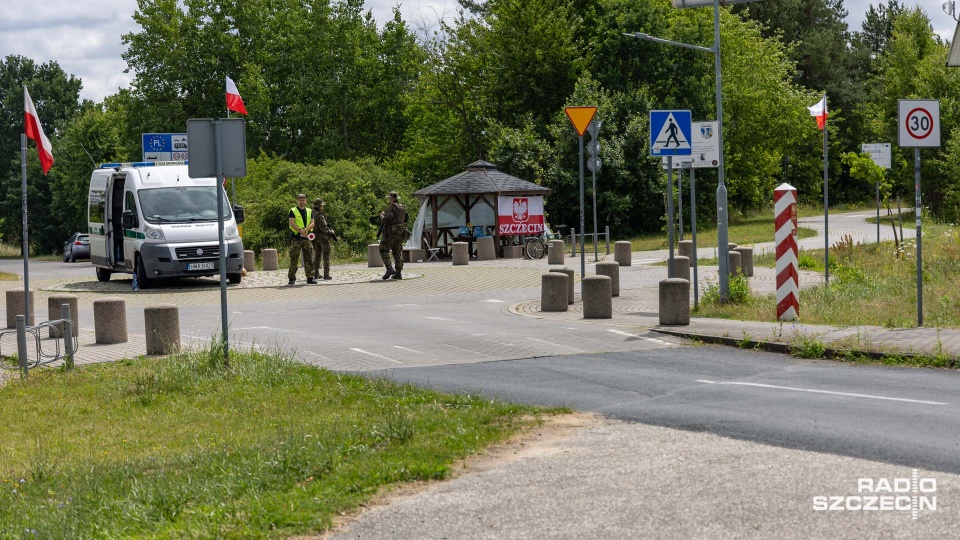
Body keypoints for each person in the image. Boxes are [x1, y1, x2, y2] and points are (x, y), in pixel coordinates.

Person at [379, 191, 407, 280]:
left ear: (391, 198)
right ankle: (398, 272)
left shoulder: (390, 208)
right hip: (400, 233)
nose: (388, 199)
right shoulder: (403, 208)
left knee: (383, 249)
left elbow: (387, 218)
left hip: (390, 233)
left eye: (389, 197)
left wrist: (382, 216)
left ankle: (389, 268)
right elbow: (406, 219)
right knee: (397, 251)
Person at [288, 194, 316, 285]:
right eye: (300, 200)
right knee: (294, 258)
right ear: (297, 201)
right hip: (296, 237)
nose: (302, 201)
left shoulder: (309, 211)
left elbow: (312, 222)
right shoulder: (293, 211)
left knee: (308, 258)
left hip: (306, 237)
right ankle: (292, 278)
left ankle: (310, 277)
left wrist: (306, 230)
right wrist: (300, 231)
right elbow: (292, 223)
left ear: (306, 201)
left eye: (303, 200)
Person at [311, 198, 336, 280]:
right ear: (319, 206)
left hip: (314, 237)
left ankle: (316, 274)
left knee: (317, 256)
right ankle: (326, 274)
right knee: (326, 256)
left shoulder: (311, 214)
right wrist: (331, 232)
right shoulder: (320, 216)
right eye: (321, 205)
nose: (322, 207)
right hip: (322, 238)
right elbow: (324, 227)